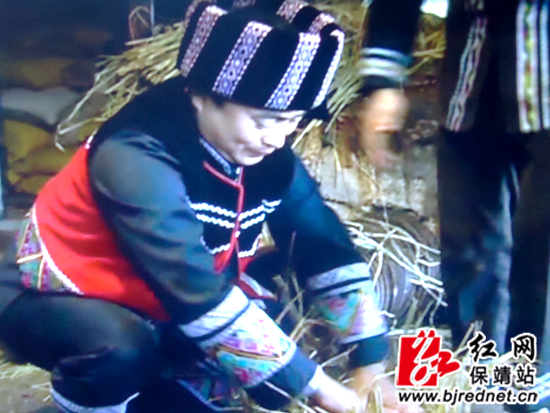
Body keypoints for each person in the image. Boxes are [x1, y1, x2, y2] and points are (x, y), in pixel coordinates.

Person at [0, 1, 418, 412]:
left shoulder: (267, 151)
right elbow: (193, 286)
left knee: (273, 341)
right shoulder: (134, 154)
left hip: (162, 301)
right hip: (57, 297)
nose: (277, 140)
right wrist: (322, 391)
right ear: (201, 95)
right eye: (263, 121)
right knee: (123, 350)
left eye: (292, 122)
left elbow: (321, 242)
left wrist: (369, 365)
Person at [358, 0, 550, 410]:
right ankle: (482, 383)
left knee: (542, 258)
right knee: (468, 254)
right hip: (472, 75)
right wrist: (383, 80)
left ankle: (534, 394)